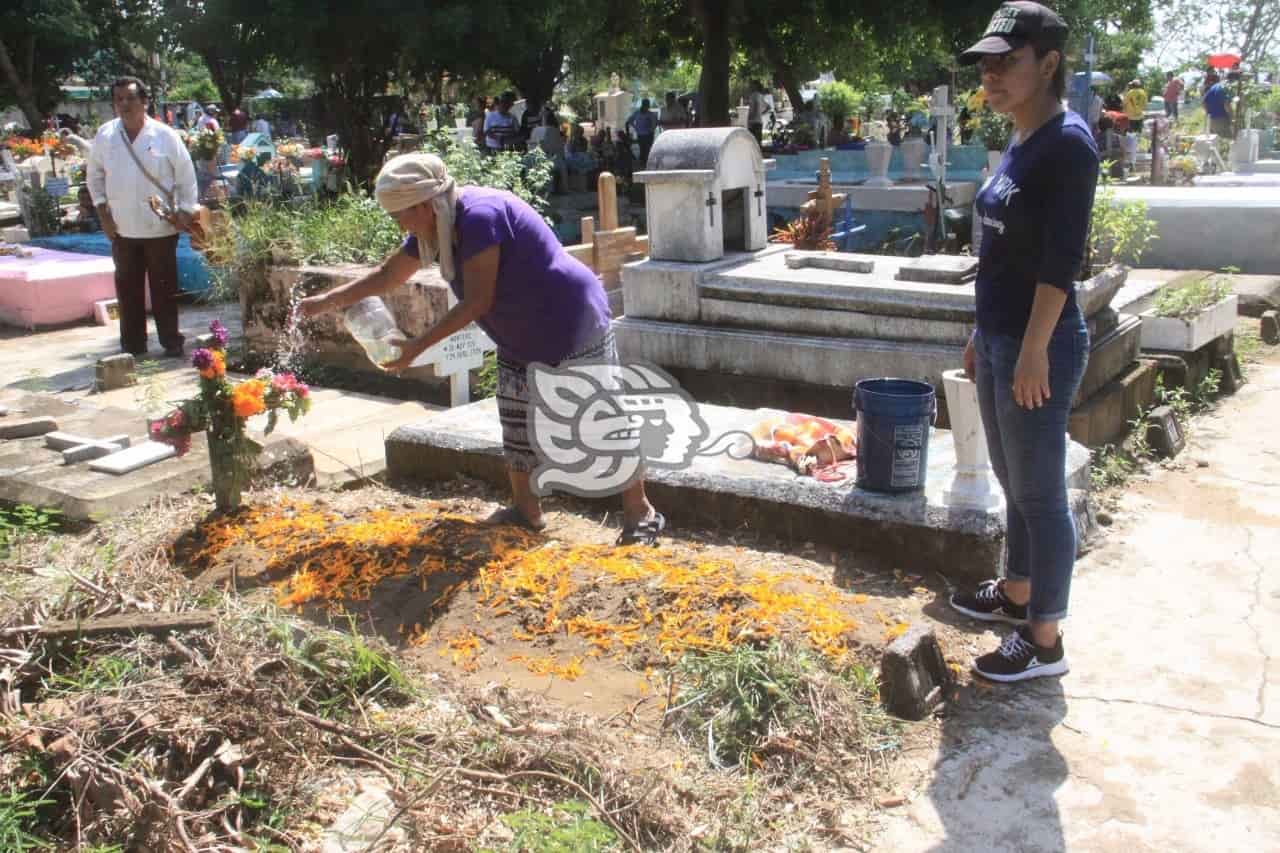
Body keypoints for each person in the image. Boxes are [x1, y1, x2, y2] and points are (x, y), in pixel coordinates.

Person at [296, 153, 664, 543]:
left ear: (423, 204)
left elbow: (476, 302)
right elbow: (388, 275)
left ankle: (641, 512)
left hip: (569, 319)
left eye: (400, 216)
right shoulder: (437, 226)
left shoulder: (479, 217)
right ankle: (526, 510)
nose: (399, 225)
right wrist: (323, 302)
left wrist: (417, 347)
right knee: (516, 418)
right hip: (519, 332)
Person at [950, 2, 1098, 683]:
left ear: (1048, 63)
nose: (992, 73)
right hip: (1003, 336)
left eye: (1007, 61)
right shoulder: (1023, 137)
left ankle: (1045, 637)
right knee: (1013, 482)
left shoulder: (1068, 143)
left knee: (1041, 492)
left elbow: (1060, 260)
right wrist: (983, 332)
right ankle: (1014, 592)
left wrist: (1035, 347)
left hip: (1041, 341)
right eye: (986, 62)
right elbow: (1002, 252)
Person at [87, 76, 198, 358]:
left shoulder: (164, 135)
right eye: (119, 99)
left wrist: (184, 212)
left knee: (164, 290)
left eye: (130, 98)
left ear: (144, 101)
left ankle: (171, 342)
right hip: (122, 228)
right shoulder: (105, 135)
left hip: (160, 227)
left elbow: (186, 176)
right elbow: (95, 176)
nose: (124, 104)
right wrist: (103, 213)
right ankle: (133, 346)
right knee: (128, 290)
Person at [625, 98, 658, 166]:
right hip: (640, 134)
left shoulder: (650, 114)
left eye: (648, 105)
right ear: (643, 104)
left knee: (648, 150)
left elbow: (655, 123)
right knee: (642, 149)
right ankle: (642, 163)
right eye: (646, 104)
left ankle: (647, 163)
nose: (647, 106)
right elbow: (629, 121)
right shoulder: (637, 113)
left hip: (649, 135)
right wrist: (635, 127)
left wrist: (652, 130)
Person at [1203, 72, 1232, 137]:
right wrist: (1232, 118)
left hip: (1211, 120)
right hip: (1221, 119)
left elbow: (1204, 102)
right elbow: (1226, 105)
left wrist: (1208, 113)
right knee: (1226, 141)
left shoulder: (1213, 87)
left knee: (1215, 143)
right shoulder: (1224, 88)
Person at [747, 81, 771, 145]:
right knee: (758, 143)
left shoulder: (753, 96)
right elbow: (769, 107)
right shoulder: (761, 96)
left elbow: (753, 108)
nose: (750, 86)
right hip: (759, 122)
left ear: (755, 86)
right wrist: (760, 113)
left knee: (752, 143)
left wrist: (749, 118)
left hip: (752, 123)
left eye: (751, 85)